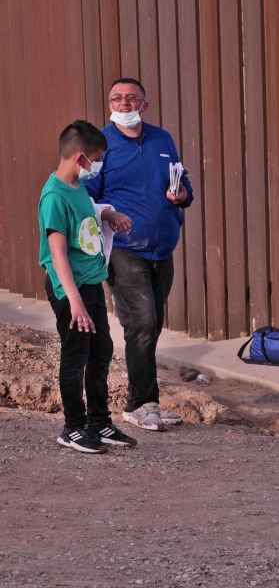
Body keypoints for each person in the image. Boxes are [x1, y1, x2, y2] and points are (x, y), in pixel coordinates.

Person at [85, 78, 194, 433]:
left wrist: (182, 196)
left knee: (149, 325)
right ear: (110, 104)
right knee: (143, 323)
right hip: (125, 249)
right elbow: (86, 195)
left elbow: (182, 182)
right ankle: (140, 404)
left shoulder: (162, 139)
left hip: (163, 249)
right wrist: (108, 216)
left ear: (144, 104)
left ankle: (145, 401)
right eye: (117, 98)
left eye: (132, 98)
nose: (125, 103)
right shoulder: (100, 145)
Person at [39, 121, 136, 453]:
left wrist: (108, 213)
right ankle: (73, 427)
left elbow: (88, 220)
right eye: (97, 159)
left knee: (101, 352)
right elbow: (57, 254)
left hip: (91, 285)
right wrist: (74, 302)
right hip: (71, 291)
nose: (99, 166)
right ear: (81, 159)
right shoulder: (54, 196)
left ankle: (99, 422)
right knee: (76, 354)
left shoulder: (79, 188)